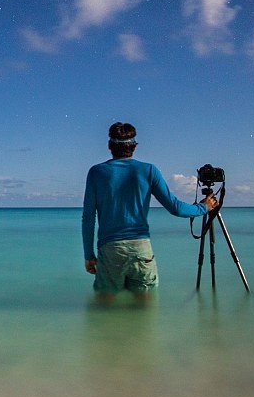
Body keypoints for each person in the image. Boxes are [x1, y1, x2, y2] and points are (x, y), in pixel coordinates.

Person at [82, 122, 217, 304]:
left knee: (105, 308)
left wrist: (89, 255)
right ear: (134, 147)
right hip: (140, 249)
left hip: (110, 249)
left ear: (109, 146)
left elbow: (88, 217)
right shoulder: (148, 170)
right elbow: (175, 207)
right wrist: (203, 207)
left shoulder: (96, 172)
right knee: (144, 309)